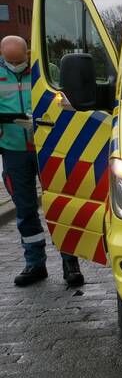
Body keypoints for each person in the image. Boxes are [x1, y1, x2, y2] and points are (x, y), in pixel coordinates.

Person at [0, 35, 85, 286]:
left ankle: (70, 263)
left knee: (58, 204)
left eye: (19, 60)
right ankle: (34, 264)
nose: (15, 64)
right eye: (9, 61)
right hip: (13, 149)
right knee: (25, 209)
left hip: (48, 147)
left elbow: (65, 103)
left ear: (28, 53)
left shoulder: (48, 71)